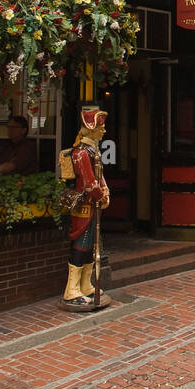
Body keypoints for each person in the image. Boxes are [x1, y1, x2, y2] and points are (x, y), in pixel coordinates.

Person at [61, 105, 111, 312]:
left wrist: (106, 190)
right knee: (81, 244)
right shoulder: (81, 153)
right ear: (90, 128)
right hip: (84, 205)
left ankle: (86, 285)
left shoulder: (93, 151)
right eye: (101, 127)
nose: (104, 131)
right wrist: (99, 195)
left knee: (91, 245)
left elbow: (99, 177)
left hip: (93, 205)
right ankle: (71, 290)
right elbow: (89, 183)